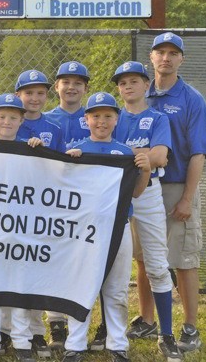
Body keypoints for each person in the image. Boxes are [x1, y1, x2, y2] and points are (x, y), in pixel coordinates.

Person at [62, 92, 152, 362]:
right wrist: (68, 164)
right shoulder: (76, 149)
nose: (101, 121)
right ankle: (75, 344)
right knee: (81, 284)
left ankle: (118, 344)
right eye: (96, 116)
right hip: (84, 228)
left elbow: (135, 193)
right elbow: (62, 189)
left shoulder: (125, 152)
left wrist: (145, 171)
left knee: (117, 287)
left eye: (108, 116)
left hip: (117, 226)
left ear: (116, 119)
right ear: (86, 119)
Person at [140, 33, 206, 353]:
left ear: (182, 59)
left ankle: (190, 328)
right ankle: (146, 320)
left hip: (177, 186)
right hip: (145, 186)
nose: (166, 58)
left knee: (184, 259)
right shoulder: (141, 94)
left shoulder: (192, 99)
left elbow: (198, 153)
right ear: (151, 57)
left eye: (173, 53)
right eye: (161, 52)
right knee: (144, 257)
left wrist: (187, 198)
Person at [111, 61, 182, 361]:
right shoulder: (112, 117)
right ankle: (109, 332)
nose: (128, 86)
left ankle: (166, 334)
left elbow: (160, 156)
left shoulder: (157, 118)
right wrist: (141, 154)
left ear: (145, 84)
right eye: (123, 82)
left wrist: (125, 154)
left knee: (156, 264)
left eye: (134, 81)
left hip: (149, 192)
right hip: (115, 192)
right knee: (112, 265)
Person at [0, 93, 41, 362]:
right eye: (1, 116)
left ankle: (22, 342)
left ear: (21, 120)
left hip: (21, 229)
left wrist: (39, 151)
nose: (7, 121)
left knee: (20, 287)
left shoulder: (30, 149)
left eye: (13, 117)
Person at [14, 69, 64, 357]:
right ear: (18, 95)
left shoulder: (53, 128)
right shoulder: (9, 124)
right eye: (28, 92)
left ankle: (39, 330)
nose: (34, 98)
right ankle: (17, 331)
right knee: (17, 269)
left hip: (42, 208)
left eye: (40, 93)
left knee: (38, 267)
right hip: (13, 208)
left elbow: (62, 170)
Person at [43, 61, 91, 351]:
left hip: (87, 199)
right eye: (66, 82)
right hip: (53, 200)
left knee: (81, 261)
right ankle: (55, 322)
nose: (71, 87)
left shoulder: (96, 117)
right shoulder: (46, 119)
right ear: (57, 86)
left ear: (85, 88)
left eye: (78, 83)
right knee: (53, 258)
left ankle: (80, 320)